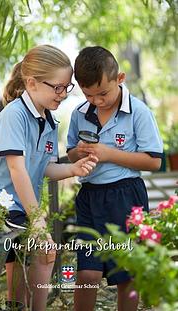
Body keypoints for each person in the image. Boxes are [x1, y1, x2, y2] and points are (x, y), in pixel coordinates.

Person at [0, 44, 97, 311]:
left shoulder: (49, 120)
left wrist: (73, 169)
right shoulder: (14, 116)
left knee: (30, 269)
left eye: (67, 87)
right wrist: (38, 221)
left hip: (22, 208)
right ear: (32, 83)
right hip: (1, 208)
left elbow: (44, 166)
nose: (63, 94)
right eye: (57, 87)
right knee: (43, 254)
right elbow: (17, 170)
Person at [67, 46, 163, 311]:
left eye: (103, 93)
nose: (96, 101)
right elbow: (71, 153)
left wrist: (110, 154)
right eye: (88, 95)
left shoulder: (139, 112)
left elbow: (154, 161)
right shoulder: (79, 114)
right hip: (89, 198)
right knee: (87, 273)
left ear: (120, 79)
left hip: (126, 195)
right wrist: (79, 153)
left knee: (126, 274)